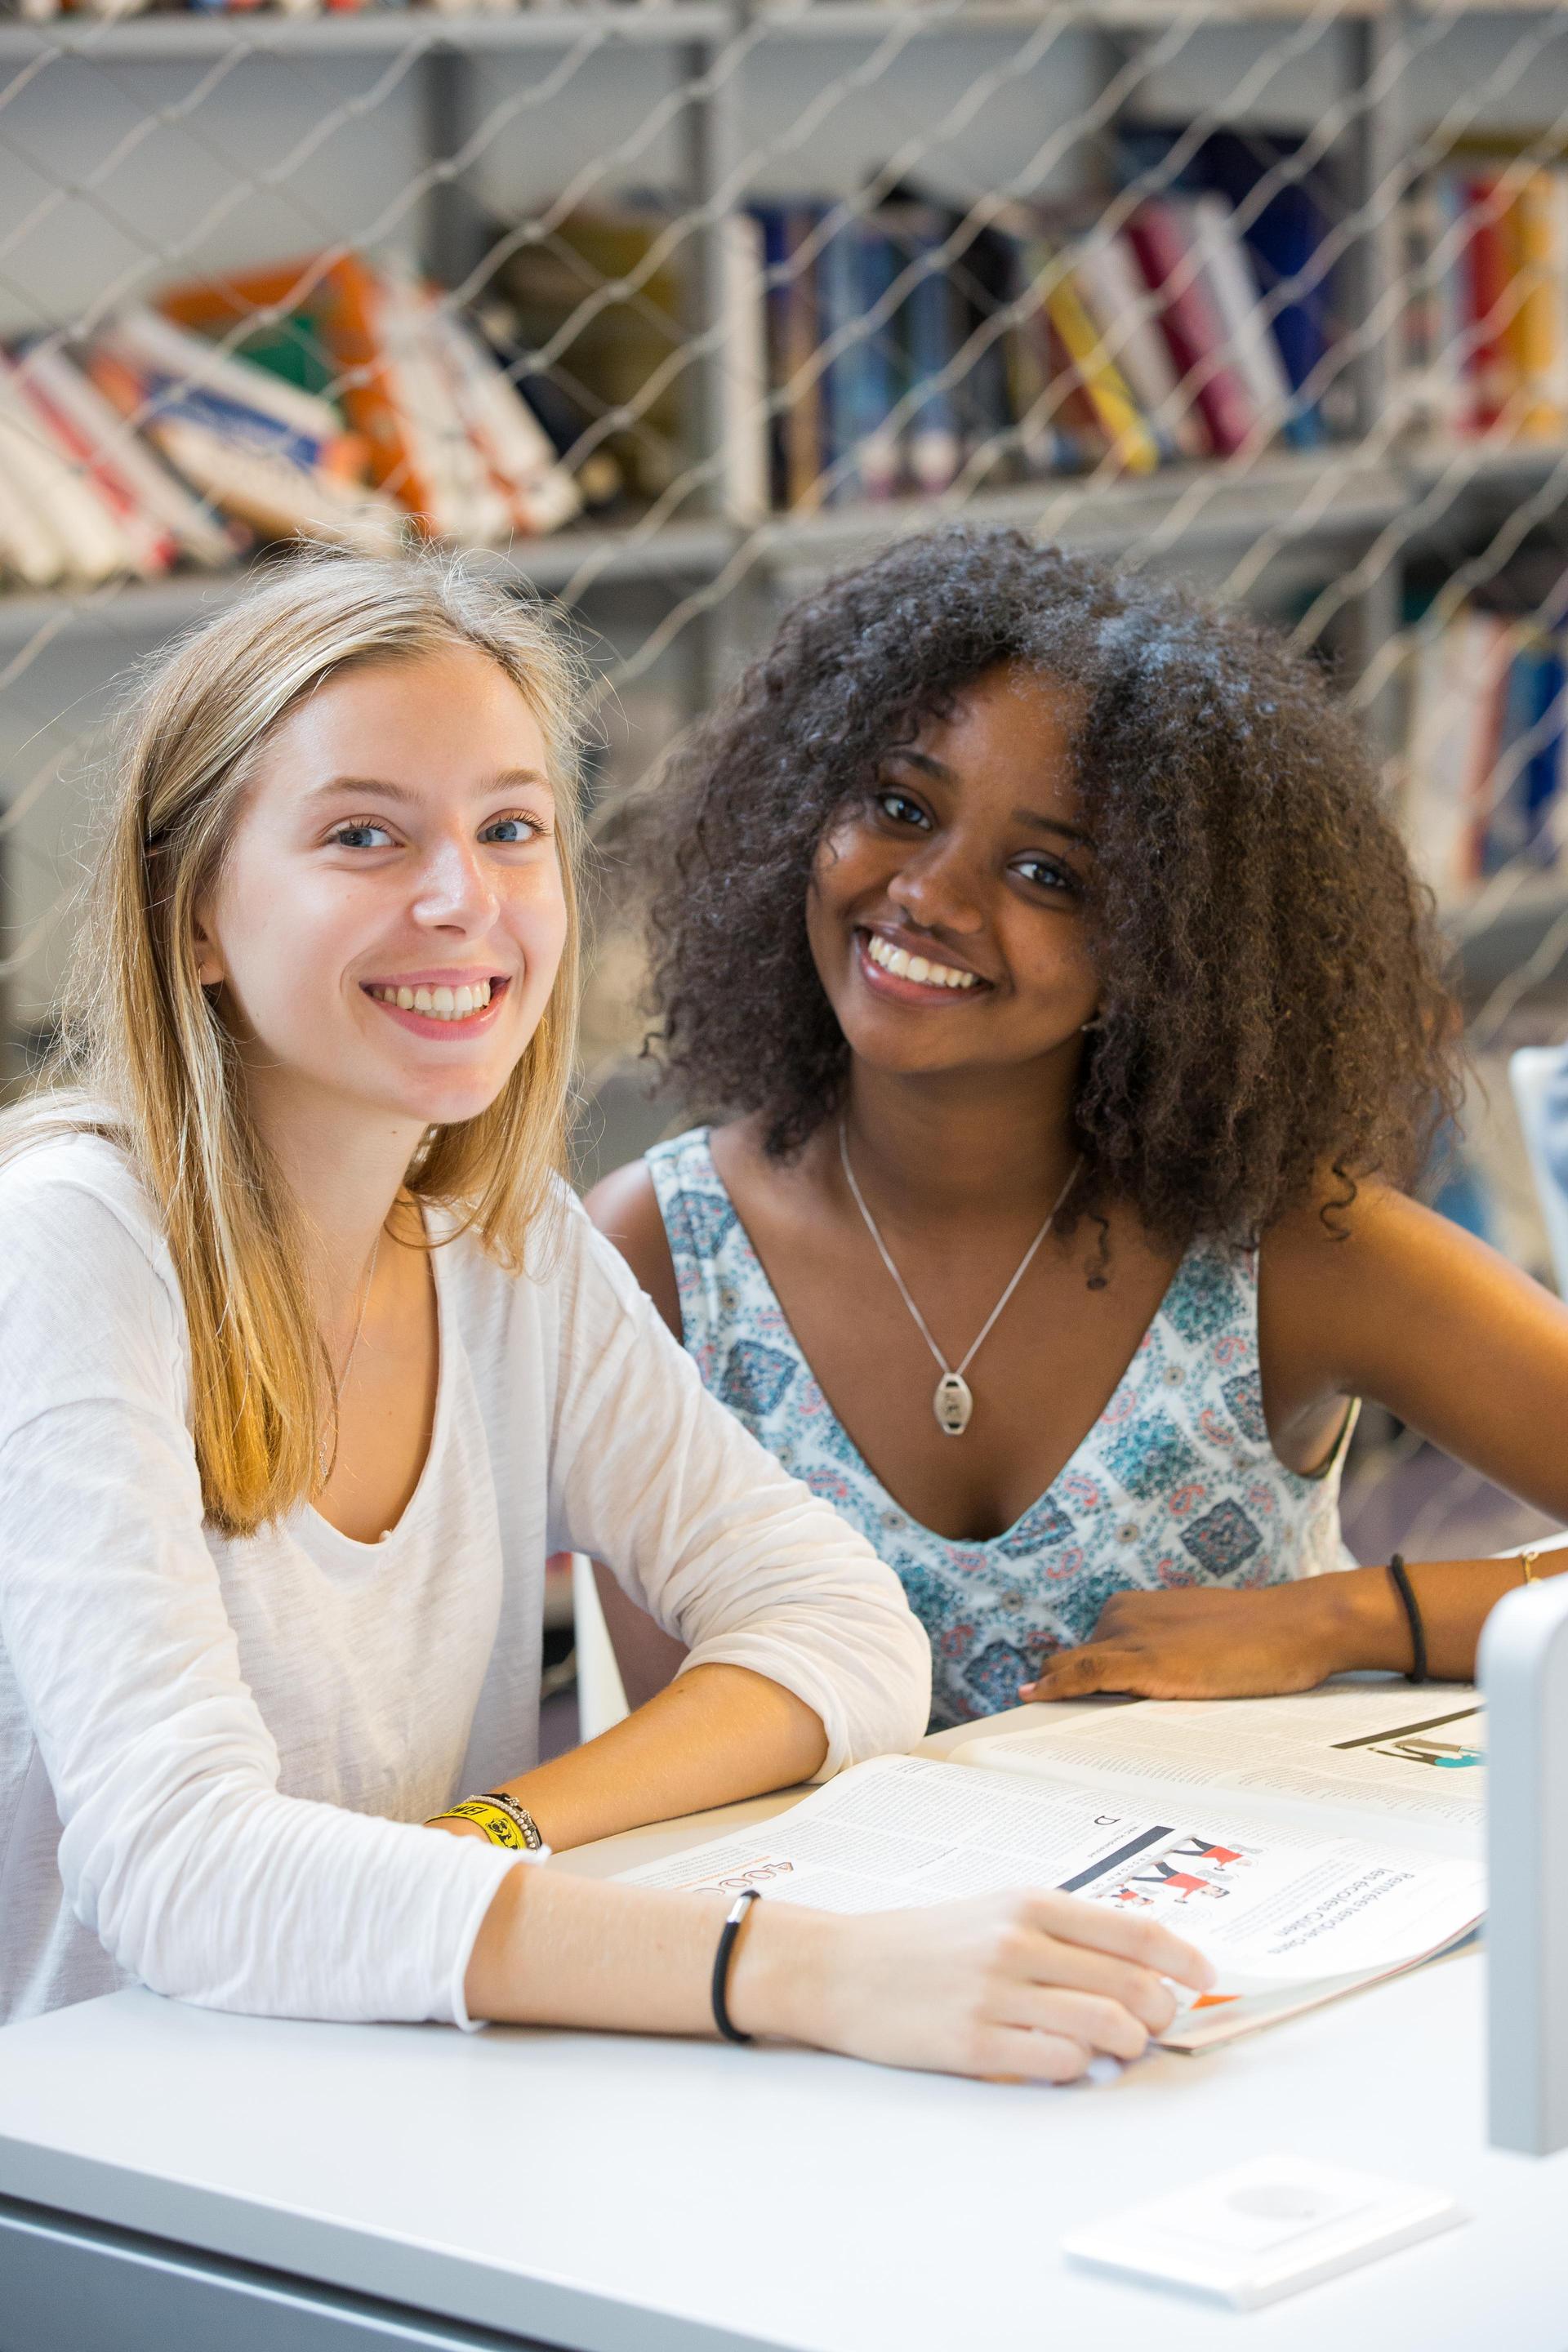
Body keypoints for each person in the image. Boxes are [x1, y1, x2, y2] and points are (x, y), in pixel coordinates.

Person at [0, 547, 1212, 2081]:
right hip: (110, 2173)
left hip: (405, 2088)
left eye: (511, 828)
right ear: (194, 920)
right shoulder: (70, 1242)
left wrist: (497, 1835)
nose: (463, 900)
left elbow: (843, 1634)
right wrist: (805, 1974)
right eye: (363, 836)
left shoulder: (503, 1246)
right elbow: (187, 1878)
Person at [587, 526, 1568, 1721]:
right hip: (830, 1907)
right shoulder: (661, 1254)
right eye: (899, 806)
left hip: (1231, 1899)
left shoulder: (1283, 1247)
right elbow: (692, 1771)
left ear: (1173, 950)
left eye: (1050, 876)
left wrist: (1340, 1620)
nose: (929, 896)